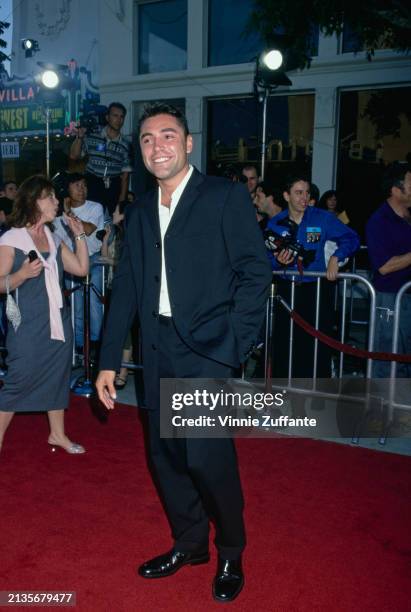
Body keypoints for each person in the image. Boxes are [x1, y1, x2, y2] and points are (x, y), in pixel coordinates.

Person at [96, 103, 271, 603]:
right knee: (167, 456)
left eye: (168, 136)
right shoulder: (140, 208)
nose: (157, 147)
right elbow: (127, 286)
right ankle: (190, 544)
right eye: (147, 140)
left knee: (207, 457)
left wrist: (233, 344)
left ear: (188, 143)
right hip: (157, 347)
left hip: (209, 351)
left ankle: (231, 549)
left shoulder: (223, 196)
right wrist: (108, 359)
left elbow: (255, 272)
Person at [0, 175, 89, 453]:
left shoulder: (53, 236)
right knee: (18, 380)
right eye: (49, 197)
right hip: (27, 325)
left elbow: (81, 269)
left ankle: (57, 435)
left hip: (57, 321)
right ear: (34, 202)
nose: (55, 202)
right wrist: (22, 274)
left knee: (57, 376)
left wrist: (79, 235)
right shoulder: (11, 239)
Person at [267, 176, 360, 378]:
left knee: (317, 342)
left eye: (307, 192)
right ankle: (286, 393)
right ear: (286, 196)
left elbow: (351, 238)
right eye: (298, 192)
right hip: (287, 291)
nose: (304, 197)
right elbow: (266, 259)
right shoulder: (275, 224)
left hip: (316, 291)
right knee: (286, 344)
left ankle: (317, 390)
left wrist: (337, 257)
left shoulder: (321, 218)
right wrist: (278, 262)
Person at [366, 163, 411, 378]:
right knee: (388, 359)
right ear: (396, 189)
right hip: (390, 300)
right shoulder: (379, 221)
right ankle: (380, 409)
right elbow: (384, 266)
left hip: (407, 298)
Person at [53, 173, 105, 355]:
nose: (81, 189)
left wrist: (69, 213)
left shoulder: (95, 207)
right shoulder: (56, 216)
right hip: (71, 262)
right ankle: (80, 347)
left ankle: (97, 344)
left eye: (84, 185)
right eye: (76, 185)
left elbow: (89, 229)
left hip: (93, 260)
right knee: (76, 306)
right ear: (67, 190)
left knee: (94, 304)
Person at [69, 102, 132, 215]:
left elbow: (125, 176)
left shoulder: (125, 144)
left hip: (114, 185)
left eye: (122, 117)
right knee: (92, 217)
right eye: (115, 116)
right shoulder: (93, 135)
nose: (119, 120)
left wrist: (122, 201)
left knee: (114, 221)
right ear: (107, 117)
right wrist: (80, 137)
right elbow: (74, 156)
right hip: (93, 182)